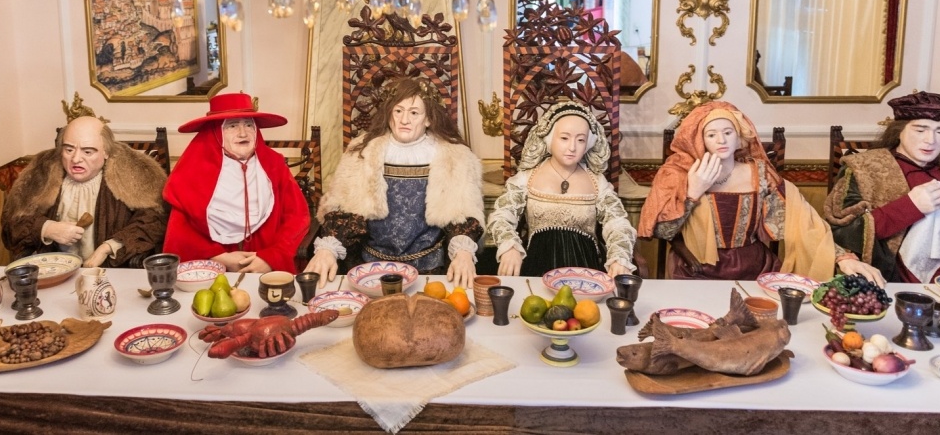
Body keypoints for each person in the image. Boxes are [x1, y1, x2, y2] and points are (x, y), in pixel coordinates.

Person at [638, 101, 880, 282]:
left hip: (754, 269)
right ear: (701, 141)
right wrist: (693, 192)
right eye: (711, 134)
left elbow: (804, 223)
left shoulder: (760, 174)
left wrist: (842, 257)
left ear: (739, 137)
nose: (721, 139)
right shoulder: (678, 175)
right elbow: (661, 230)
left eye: (728, 132)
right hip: (695, 271)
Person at [304, 76, 485, 289]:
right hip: (371, 268)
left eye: (414, 113)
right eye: (398, 111)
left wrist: (463, 252)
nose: (404, 120)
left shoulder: (455, 156)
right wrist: (328, 249)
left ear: (428, 119)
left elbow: (461, 215)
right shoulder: (362, 151)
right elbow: (345, 210)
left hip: (429, 270)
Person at [825, 91, 940, 283]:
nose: (931, 140)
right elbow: (841, 232)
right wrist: (910, 207)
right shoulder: (863, 168)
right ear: (899, 131)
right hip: (893, 283)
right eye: (920, 130)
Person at [487, 100, 637, 278]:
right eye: (564, 138)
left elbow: (617, 223)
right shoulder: (527, 178)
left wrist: (619, 257)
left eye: (580, 140)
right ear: (550, 138)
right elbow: (501, 215)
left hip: (585, 272)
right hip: (537, 269)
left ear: (588, 143)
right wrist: (509, 246)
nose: (572, 147)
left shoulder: (596, 181)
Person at [162, 92, 309, 274]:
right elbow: (180, 232)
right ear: (216, 132)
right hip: (212, 269)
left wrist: (271, 257)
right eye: (232, 126)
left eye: (249, 125)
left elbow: (297, 216)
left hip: (265, 267)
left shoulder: (274, 165)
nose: (243, 133)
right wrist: (218, 257)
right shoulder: (191, 172)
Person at [2, 115, 167, 268]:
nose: (76, 159)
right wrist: (47, 228)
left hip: (109, 273)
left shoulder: (132, 176)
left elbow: (154, 221)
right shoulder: (42, 173)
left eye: (88, 151)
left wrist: (109, 247)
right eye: (69, 150)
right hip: (54, 272)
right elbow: (12, 225)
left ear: (106, 152)